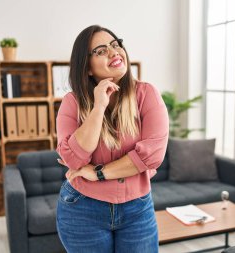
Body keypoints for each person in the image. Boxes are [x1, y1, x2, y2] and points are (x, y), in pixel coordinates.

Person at [55, 25, 169, 253]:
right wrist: (98, 107)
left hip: (138, 208)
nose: (114, 52)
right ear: (87, 67)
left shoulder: (147, 94)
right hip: (82, 208)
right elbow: (72, 158)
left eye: (116, 45)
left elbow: (153, 155)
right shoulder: (72, 102)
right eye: (101, 50)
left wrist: (97, 173)